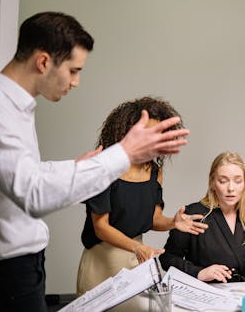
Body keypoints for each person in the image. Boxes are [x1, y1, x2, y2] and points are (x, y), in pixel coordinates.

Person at [0, 12, 189, 312]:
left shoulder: (18, 107)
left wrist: (76, 167)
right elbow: (32, 195)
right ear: (44, 62)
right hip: (10, 272)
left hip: (24, 266)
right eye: (73, 70)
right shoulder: (1, 109)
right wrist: (123, 154)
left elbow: (25, 175)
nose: (76, 82)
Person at [76, 97, 208, 311]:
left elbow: (154, 219)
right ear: (128, 132)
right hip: (102, 259)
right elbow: (101, 227)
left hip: (137, 258)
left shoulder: (155, 171)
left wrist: (173, 223)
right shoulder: (106, 166)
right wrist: (137, 247)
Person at [160, 152, 245, 283]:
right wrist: (199, 273)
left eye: (238, 181)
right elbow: (167, 258)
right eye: (223, 181)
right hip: (205, 291)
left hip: (244, 290)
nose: (231, 188)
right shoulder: (193, 214)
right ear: (213, 183)